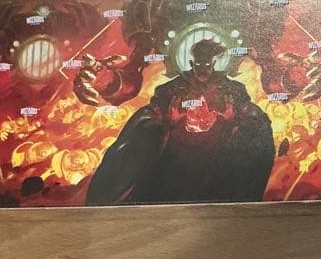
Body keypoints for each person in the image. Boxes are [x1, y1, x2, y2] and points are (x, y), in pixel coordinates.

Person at [86, 39, 275, 204]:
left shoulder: (231, 89)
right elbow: (149, 119)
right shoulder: (173, 88)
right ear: (191, 63)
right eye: (198, 65)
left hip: (217, 161)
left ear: (213, 64)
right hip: (176, 162)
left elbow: (252, 119)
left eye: (207, 66)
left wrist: (231, 121)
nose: (203, 71)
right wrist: (169, 122)